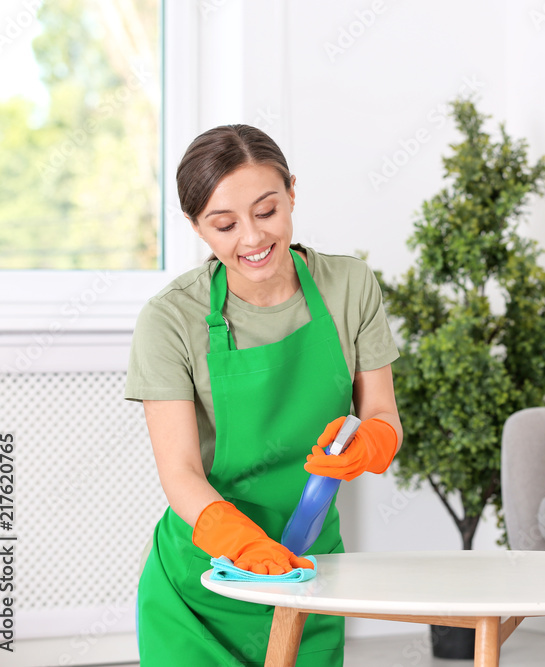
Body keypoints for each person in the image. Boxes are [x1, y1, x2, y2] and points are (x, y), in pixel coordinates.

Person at [124, 124, 402, 665]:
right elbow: (179, 472)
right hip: (205, 580)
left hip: (310, 575)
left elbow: (383, 413)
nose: (251, 239)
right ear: (196, 227)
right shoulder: (170, 320)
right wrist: (241, 543)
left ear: (292, 192)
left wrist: (372, 441)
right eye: (224, 224)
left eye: (267, 211)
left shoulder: (349, 287)